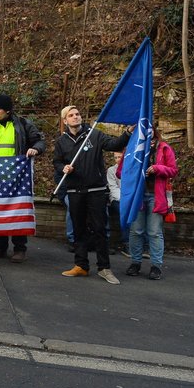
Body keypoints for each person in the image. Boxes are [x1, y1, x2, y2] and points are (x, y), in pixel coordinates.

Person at [54, 105, 131, 284]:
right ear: (65, 121)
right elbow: (57, 162)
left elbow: (114, 144)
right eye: (71, 115)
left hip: (96, 191)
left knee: (100, 230)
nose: (76, 117)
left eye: (78, 114)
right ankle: (81, 265)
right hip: (74, 192)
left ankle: (104, 268)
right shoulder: (61, 142)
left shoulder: (94, 135)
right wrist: (63, 167)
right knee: (79, 229)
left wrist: (127, 132)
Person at [0, 93, 45, 263]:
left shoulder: (23, 124)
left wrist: (35, 149)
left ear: (7, 110)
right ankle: (0, 246)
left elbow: (40, 141)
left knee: (18, 211)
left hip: (18, 176)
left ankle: (20, 248)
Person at [121, 125, 177, 280]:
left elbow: (173, 170)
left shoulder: (164, 148)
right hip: (137, 196)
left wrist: (158, 168)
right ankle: (135, 263)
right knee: (136, 231)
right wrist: (134, 170)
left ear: (155, 131)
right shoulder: (132, 148)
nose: (147, 131)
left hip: (156, 196)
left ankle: (156, 266)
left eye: (150, 128)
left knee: (154, 232)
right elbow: (120, 172)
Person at [106, 151, 130, 257]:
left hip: (130, 199)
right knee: (123, 213)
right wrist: (124, 200)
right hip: (117, 199)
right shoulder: (111, 170)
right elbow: (113, 188)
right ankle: (126, 243)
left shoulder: (131, 168)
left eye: (120, 157)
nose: (117, 159)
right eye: (115, 157)